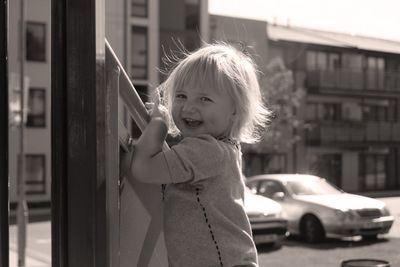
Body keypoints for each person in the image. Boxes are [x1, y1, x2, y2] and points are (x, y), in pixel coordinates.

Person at [131, 42, 271, 267]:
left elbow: (143, 169)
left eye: (204, 99)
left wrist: (158, 125)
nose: (188, 107)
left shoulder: (205, 150)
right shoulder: (226, 149)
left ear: (235, 109)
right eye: (181, 95)